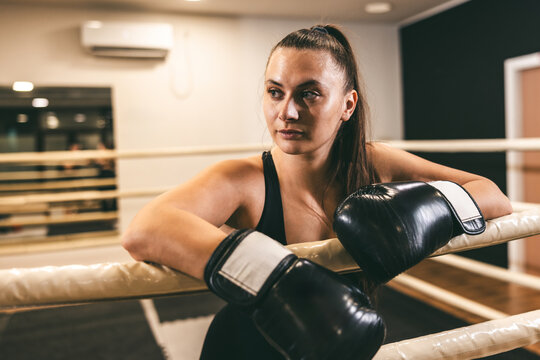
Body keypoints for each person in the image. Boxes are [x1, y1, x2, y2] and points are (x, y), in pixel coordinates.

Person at [122, 25, 512, 359]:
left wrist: (423, 213)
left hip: (339, 347)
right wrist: (277, 278)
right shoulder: (244, 178)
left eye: (309, 94)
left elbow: (491, 194)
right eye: (275, 92)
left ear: (347, 105)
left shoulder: (375, 163)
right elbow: (145, 228)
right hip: (246, 348)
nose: (287, 112)